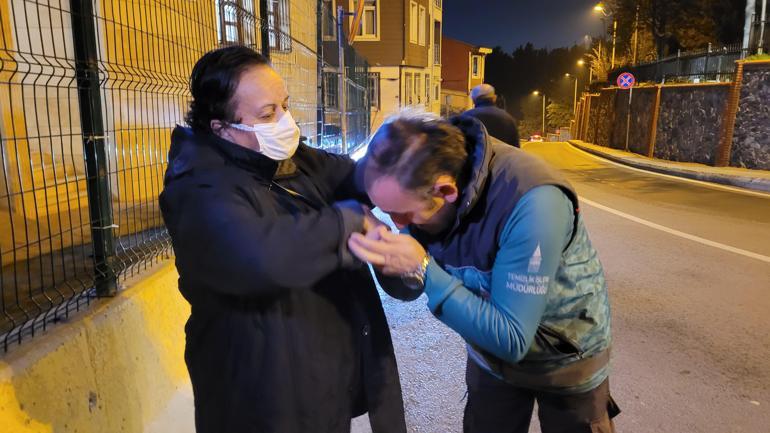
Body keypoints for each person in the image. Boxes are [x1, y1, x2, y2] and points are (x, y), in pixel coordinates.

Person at [158, 46, 407, 433]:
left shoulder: (294, 159)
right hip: (258, 402)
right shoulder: (198, 187)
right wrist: (347, 223)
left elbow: (355, 178)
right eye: (267, 114)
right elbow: (262, 257)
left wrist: (402, 173)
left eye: (285, 106)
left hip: (320, 388)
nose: (285, 121)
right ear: (222, 128)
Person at [348, 111, 619, 433]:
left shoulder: (534, 201)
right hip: (489, 361)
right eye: (389, 214)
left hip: (566, 359)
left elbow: (511, 339)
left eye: (403, 214)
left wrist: (423, 266)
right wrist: (389, 258)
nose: (399, 224)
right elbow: (409, 289)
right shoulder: (413, 181)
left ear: (446, 191)